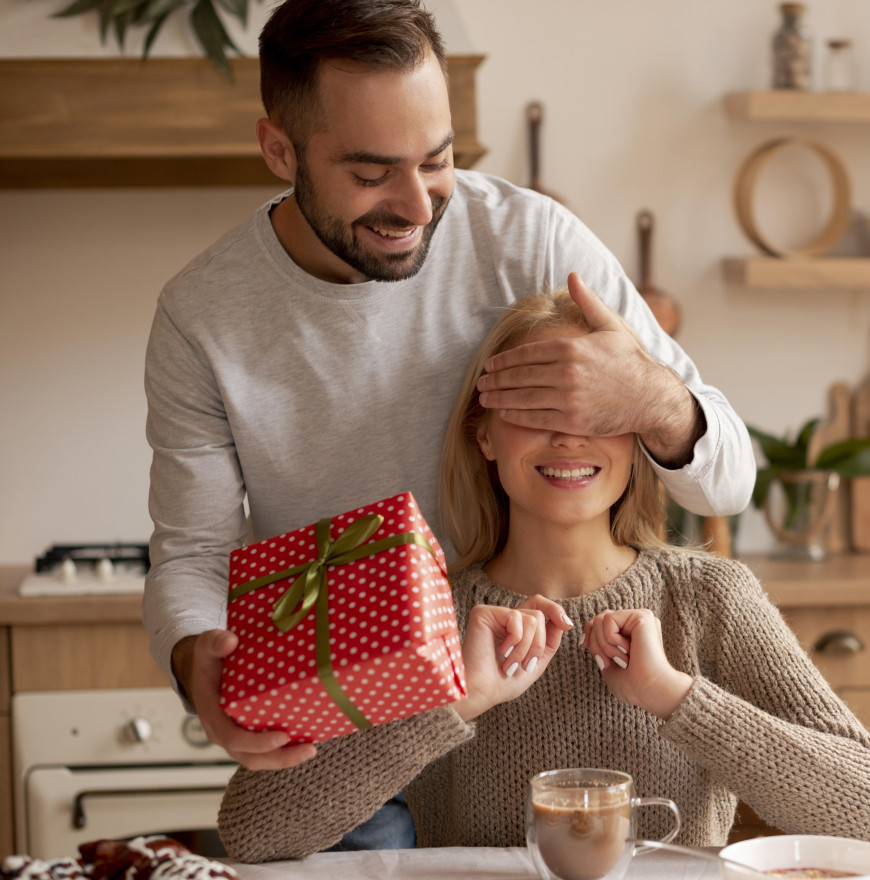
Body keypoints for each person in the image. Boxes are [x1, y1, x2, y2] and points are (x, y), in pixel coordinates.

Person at [142, 0, 755, 851]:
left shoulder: (533, 240)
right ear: (279, 150)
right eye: (370, 174)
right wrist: (196, 660)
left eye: (438, 161)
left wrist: (649, 398)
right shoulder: (200, 316)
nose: (419, 205)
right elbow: (194, 555)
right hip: (357, 736)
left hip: (538, 694)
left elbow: (727, 476)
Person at [216, 291, 870, 863]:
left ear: (636, 437)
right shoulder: (426, 611)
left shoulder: (709, 599)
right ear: (484, 435)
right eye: (535, 411)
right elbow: (252, 832)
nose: (569, 438)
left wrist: (674, 696)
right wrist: (457, 700)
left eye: (598, 414)